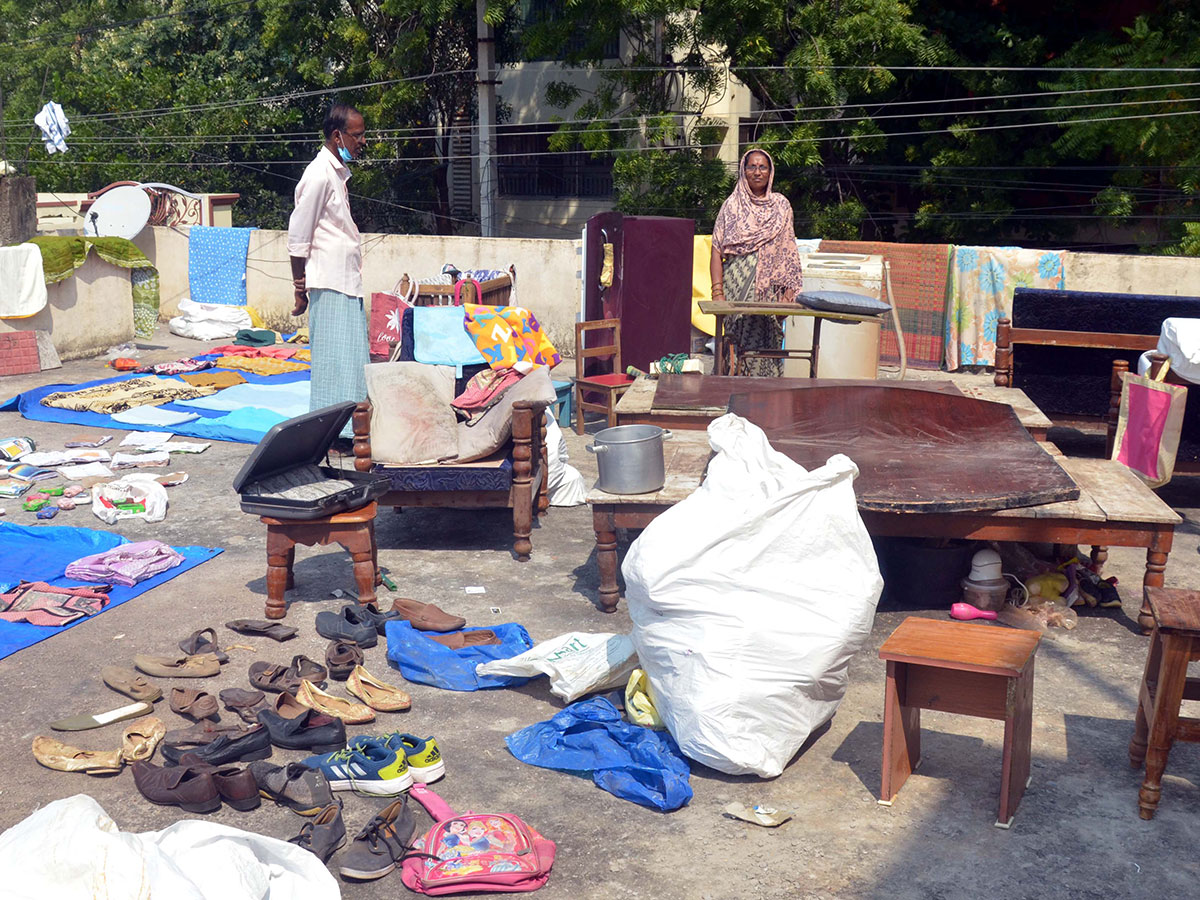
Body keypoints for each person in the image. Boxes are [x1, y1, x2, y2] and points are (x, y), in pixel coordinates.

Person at [287, 102, 370, 441]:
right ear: (338, 136)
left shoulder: (335, 173)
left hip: (346, 281)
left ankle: (353, 430)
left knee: (351, 361)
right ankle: (334, 434)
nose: (363, 141)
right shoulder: (318, 175)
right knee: (333, 365)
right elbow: (298, 236)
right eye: (358, 135)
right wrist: (299, 287)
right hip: (329, 281)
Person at [709, 148, 803, 376]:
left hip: (769, 293)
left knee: (767, 345)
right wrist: (717, 293)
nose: (757, 172)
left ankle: (766, 401)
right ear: (743, 170)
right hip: (736, 287)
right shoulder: (731, 206)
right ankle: (732, 398)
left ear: (770, 172)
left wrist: (788, 292)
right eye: (752, 166)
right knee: (734, 345)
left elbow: (789, 251)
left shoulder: (781, 206)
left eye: (763, 167)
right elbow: (716, 250)